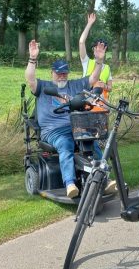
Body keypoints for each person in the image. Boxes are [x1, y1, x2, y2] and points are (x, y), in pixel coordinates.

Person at [25, 40, 111, 199]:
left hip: (76, 126)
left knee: (92, 142)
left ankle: (104, 179)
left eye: (64, 73)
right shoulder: (43, 87)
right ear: (52, 73)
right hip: (53, 131)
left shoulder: (74, 85)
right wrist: (32, 58)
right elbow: (30, 79)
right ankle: (69, 183)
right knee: (66, 145)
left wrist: (99, 61)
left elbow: (93, 79)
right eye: (59, 73)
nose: (62, 76)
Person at [79, 13, 113, 93]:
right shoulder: (86, 62)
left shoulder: (107, 68)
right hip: (85, 101)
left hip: (101, 103)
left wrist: (104, 86)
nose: (99, 51)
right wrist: (89, 24)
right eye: (98, 49)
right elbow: (81, 42)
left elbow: (110, 88)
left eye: (102, 49)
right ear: (93, 50)